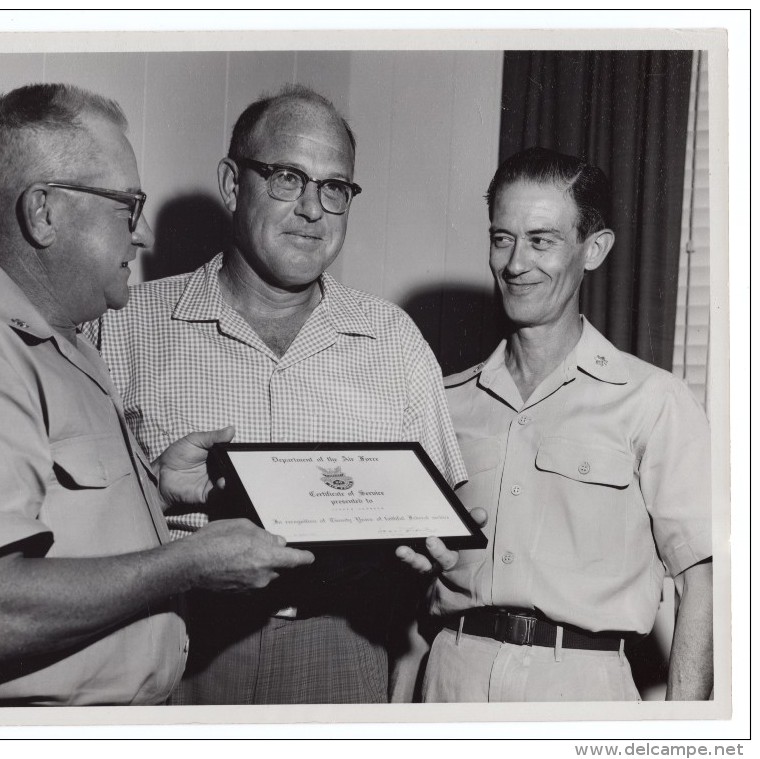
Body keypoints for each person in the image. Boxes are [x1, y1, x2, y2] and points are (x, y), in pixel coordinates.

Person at [0, 83, 315, 707]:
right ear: (43, 212)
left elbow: (58, 517)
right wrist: (190, 563)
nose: (140, 234)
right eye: (126, 204)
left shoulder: (65, 345)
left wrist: (156, 484)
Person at [89, 84, 468, 704]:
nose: (313, 210)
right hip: (175, 644)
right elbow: (75, 516)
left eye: (335, 188)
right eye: (289, 178)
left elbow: (441, 510)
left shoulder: (392, 338)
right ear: (234, 185)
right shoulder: (125, 322)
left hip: (342, 648)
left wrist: (430, 549)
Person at [399, 147, 713, 702]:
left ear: (594, 250)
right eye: (503, 238)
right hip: (450, 676)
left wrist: (682, 733)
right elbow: (412, 582)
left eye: (542, 240)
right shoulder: (444, 400)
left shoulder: (653, 401)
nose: (516, 263)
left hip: (580, 686)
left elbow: (702, 586)